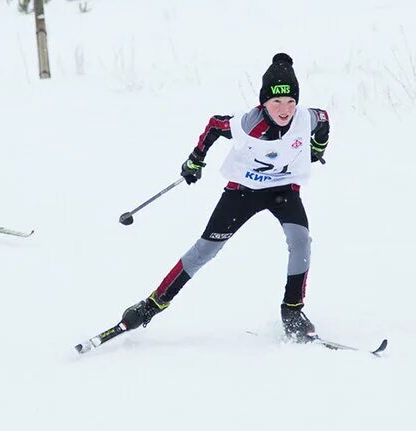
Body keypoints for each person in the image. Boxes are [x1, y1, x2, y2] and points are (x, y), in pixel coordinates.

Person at [114, 53, 331, 342]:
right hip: (243, 191)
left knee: (301, 240)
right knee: (205, 250)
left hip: (284, 189)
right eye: (276, 102)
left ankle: (292, 312)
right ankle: (150, 306)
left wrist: (317, 149)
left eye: (291, 102)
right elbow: (215, 125)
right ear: (263, 102)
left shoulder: (306, 118)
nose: (284, 109)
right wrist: (195, 160)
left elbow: (325, 121)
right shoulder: (247, 124)